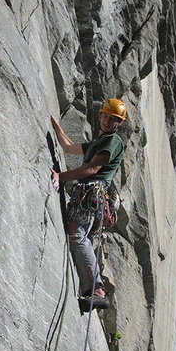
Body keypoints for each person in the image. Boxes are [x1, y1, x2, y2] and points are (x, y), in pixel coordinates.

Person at [50, 98, 127, 311]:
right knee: (79, 237)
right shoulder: (95, 143)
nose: (107, 121)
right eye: (105, 115)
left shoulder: (113, 141)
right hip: (88, 194)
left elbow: (93, 169)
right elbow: (67, 146)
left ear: (118, 123)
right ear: (100, 115)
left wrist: (61, 176)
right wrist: (53, 122)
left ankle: (97, 290)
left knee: (77, 236)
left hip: (92, 192)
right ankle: (95, 288)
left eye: (113, 119)